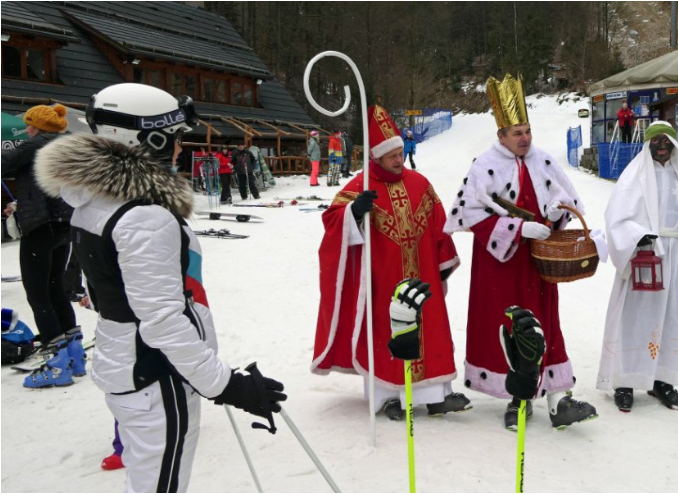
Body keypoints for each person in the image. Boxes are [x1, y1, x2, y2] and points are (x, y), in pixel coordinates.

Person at [35, 83, 287, 492]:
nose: (179, 148)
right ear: (148, 138)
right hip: (156, 374)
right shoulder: (144, 216)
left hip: (128, 363)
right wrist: (226, 385)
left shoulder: (95, 200)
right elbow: (162, 321)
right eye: (175, 137)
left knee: (149, 478)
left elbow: (110, 291)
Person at [444, 74, 599, 431]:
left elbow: (567, 202)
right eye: (516, 132)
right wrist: (516, 229)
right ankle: (519, 398)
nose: (524, 138)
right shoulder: (484, 167)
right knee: (513, 330)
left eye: (527, 130)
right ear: (501, 135)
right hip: (503, 267)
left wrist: (557, 215)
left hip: (539, 264)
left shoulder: (543, 161)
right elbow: (469, 215)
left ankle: (559, 398)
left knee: (547, 323)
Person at [312, 105, 469, 421]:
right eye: (392, 155)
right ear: (377, 158)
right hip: (383, 279)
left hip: (423, 274)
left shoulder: (420, 182)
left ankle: (437, 395)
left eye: (401, 153)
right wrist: (354, 212)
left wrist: (442, 263)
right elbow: (331, 220)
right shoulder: (360, 185)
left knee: (431, 331)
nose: (399, 159)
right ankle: (391, 397)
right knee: (388, 333)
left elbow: (439, 224)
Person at [597, 121, 678, 412]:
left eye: (666, 141)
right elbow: (616, 218)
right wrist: (637, 236)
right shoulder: (635, 175)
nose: (661, 145)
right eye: (655, 141)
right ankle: (625, 381)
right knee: (636, 317)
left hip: (677, 256)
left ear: (674, 144)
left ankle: (663, 379)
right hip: (644, 256)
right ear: (647, 144)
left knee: (673, 315)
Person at [1, 103, 85, 388]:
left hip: (40, 226)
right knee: (55, 288)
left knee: (37, 294)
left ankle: (57, 362)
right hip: (64, 224)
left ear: (39, 126)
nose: (26, 129)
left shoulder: (35, 144)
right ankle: (75, 355)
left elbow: (4, 164)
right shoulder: (69, 143)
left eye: (29, 124)